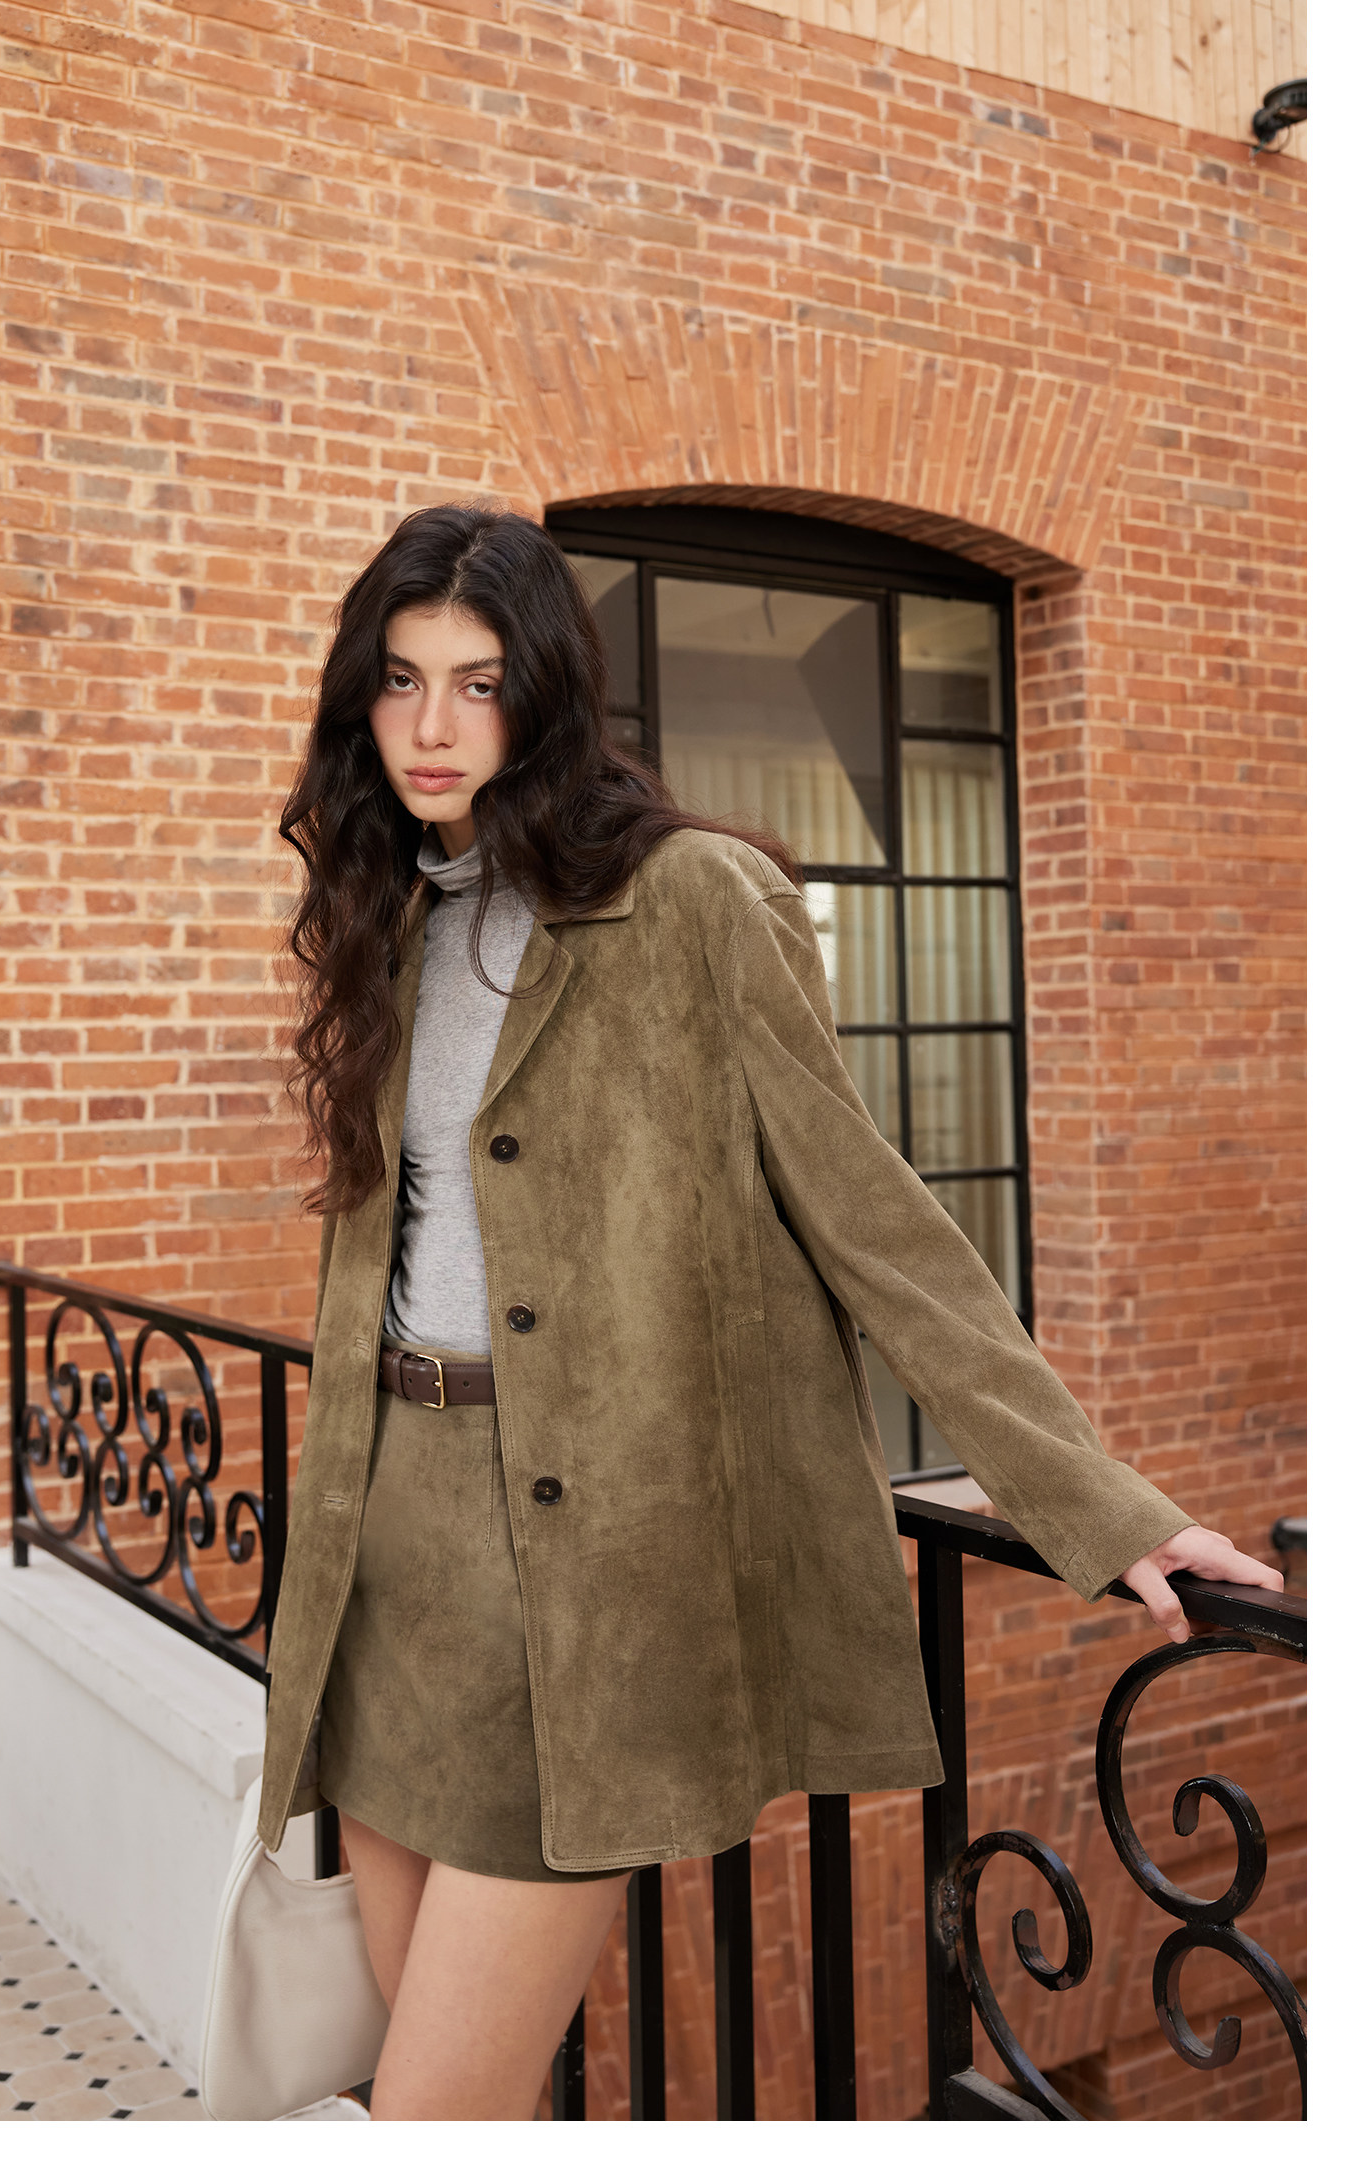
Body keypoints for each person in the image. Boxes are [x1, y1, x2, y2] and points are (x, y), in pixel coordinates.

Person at [260, 502, 1282, 2122]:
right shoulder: (398, 915)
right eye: (399, 681)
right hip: (392, 1565)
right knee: (452, 2098)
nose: (432, 726)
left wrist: (1093, 1502)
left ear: (544, 694)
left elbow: (874, 1216)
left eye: (477, 682)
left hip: (573, 1584)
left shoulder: (694, 901)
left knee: (432, 2116)